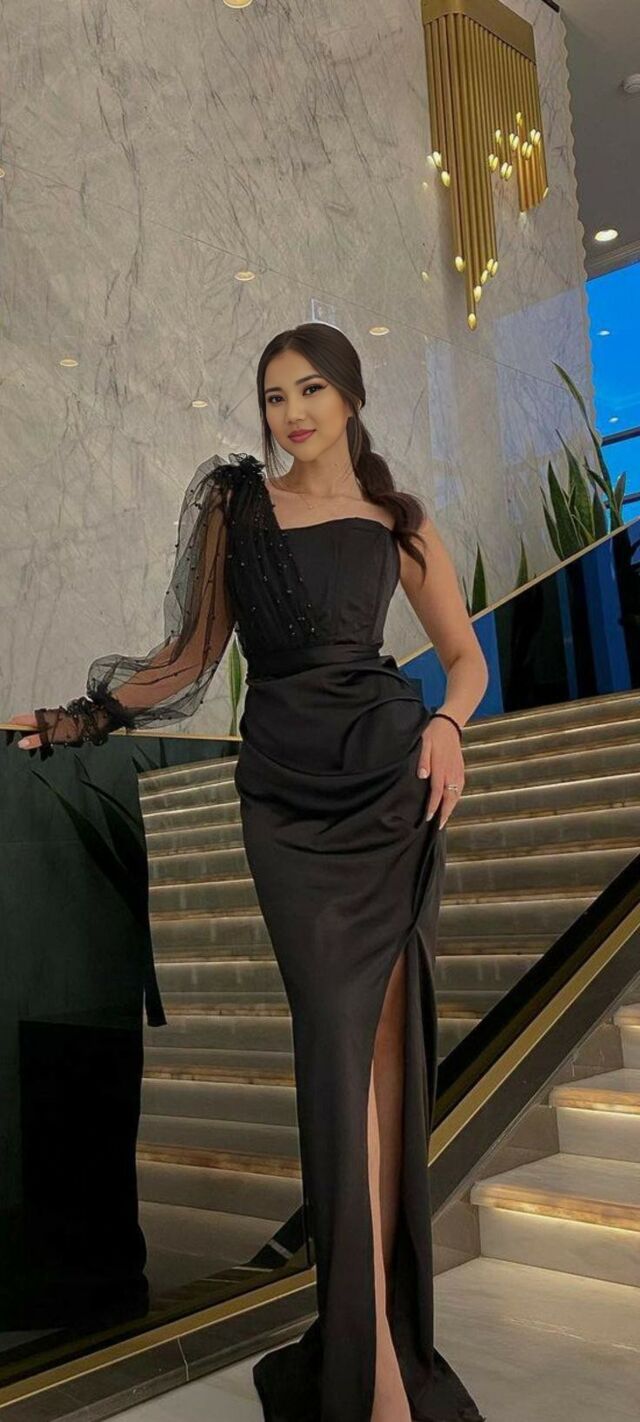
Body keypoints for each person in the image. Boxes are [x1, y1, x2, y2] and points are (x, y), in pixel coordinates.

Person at [10, 323, 489, 1422]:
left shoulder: (398, 520)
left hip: (389, 785)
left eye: (310, 389)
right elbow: (188, 657)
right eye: (274, 396)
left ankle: (379, 1362)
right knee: (333, 1060)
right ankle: (362, 1355)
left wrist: (450, 726)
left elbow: (464, 658)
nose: (291, 413)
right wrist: (79, 718)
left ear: (350, 395)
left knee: (383, 1074)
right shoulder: (239, 505)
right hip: (286, 799)